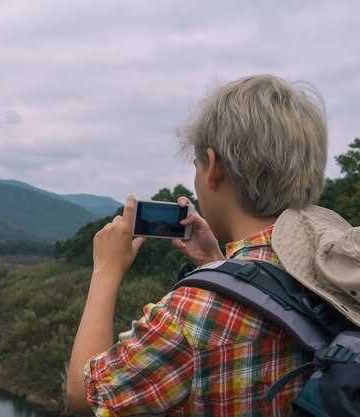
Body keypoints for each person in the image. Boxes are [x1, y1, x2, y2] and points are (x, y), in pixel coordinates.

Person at [66, 74, 328, 416]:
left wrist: (106, 270)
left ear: (213, 167)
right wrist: (218, 265)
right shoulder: (340, 262)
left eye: (197, 165)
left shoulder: (194, 314)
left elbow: (85, 397)